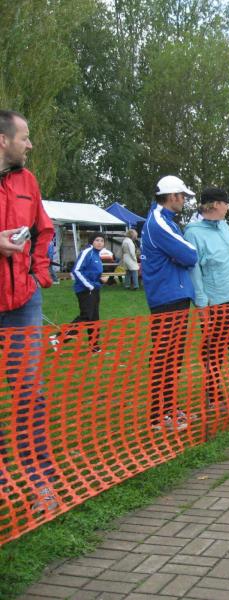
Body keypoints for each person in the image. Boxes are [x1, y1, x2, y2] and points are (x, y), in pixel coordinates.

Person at [0, 109, 57, 512]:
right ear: (3, 140)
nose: (30, 144)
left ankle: (41, 482)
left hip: (23, 301)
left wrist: (38, 274)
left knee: (28, 392)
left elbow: (44, 229)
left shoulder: (28, 181)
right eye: (25, 137)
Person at [184, 187, 229, 413]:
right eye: (226, 203)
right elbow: (194, 271)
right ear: (215, 204)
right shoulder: (193, 233)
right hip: (214, 303)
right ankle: (214, 396)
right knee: (213, 353)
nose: (228, 207)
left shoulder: (225, 226)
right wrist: (201, 303)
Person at [141, 175, 198, 432]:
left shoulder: (166, 221)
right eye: (182, 196)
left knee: (172, 357)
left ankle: (170, 408)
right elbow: (190, 254)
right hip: (167, 296)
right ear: (172, 196)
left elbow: (183, 255)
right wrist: (180, 257)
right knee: (164, 356)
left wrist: (180, 257)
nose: (184, 200)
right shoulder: (158, 222)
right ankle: (158, 415)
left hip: (174, 293)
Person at [66, 233, 108, 351]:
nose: (100, 243)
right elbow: (76, 270)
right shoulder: (87, 252)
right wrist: (90, 286)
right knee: (86, 316)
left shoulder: (97, 254)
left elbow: (92, 273)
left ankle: (94, 346)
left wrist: (100, 280)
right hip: (85, 290)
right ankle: (59, 338)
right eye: (97, 240)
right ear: (92, 241)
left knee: (94, 319)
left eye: (102, 241)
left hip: (94, 289)